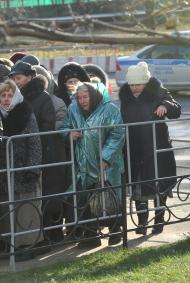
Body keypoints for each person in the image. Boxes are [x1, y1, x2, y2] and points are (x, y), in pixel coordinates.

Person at [119, 62, 181, 236]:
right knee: (138, 187)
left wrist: (166, 105)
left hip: (156, 147)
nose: (134, 88)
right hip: (134, 148)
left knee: (158, 186)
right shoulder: (126, 95)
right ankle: (142, 223)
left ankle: (159, 221)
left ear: (146, 83)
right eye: (131, 85)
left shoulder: (158, 90)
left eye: (138, 84)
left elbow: (176, 109)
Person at [9, 61, 67, 244]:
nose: (16, 81)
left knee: (49, 198)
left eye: (18, 78)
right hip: (27, 155)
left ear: (30, 77)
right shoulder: (18, 98)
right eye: (14, 78)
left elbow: (46, 129)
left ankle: (52, 236)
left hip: (44, 155)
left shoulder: (43, 99)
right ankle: (38, 237)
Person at [61, 82, 125, 248]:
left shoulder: (110, 109)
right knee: (86, 198)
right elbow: (65, 126)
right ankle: (91, 235)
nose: (82, 101)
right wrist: (69, 134)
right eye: (79, 97)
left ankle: (115, 230)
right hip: (83, 164)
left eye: (85, 97)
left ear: (93, 95)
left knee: (110, 197)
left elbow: (117, 133)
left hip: (106, 165)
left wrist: (106, 157)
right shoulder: (73, 109)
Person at [0, 79, 43, 261]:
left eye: (9, 95)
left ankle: (28, 245)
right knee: (8, 210)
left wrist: (32, 168)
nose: (6, 99)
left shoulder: (25, 113)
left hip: (24, 170)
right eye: (3, 95)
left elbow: (35, 142)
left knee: (26, 209)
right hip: (4, 171)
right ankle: (12, 244)